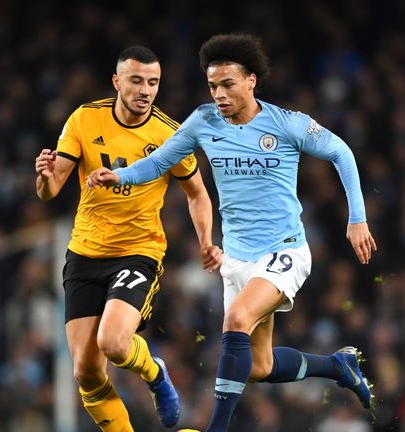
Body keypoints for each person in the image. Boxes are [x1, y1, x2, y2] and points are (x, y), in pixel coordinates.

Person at [87, 34, 377, 431]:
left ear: (251, 81)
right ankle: (337, 366)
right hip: (237, 258)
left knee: (237, 320)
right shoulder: (204, 121)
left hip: (284, 250)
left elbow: (341, 152)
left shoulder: (286, 123)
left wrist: (356, 217)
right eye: (212, 86)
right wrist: (116, 174)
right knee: (259, 366)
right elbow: (157, 163)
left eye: (227, 84)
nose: (219, 94)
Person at [35, 46, 222, 431]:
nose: (145, 90)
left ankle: (155, 373)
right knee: (86, 372)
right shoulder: (85, 119)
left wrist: (205, 239)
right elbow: (51, 189)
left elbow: (198, 194)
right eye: (137, 81)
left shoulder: (170, 134)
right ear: (117, 82)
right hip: (84, 253)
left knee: (115, 343)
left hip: (138, 253)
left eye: (153, 82)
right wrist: (43, 175)